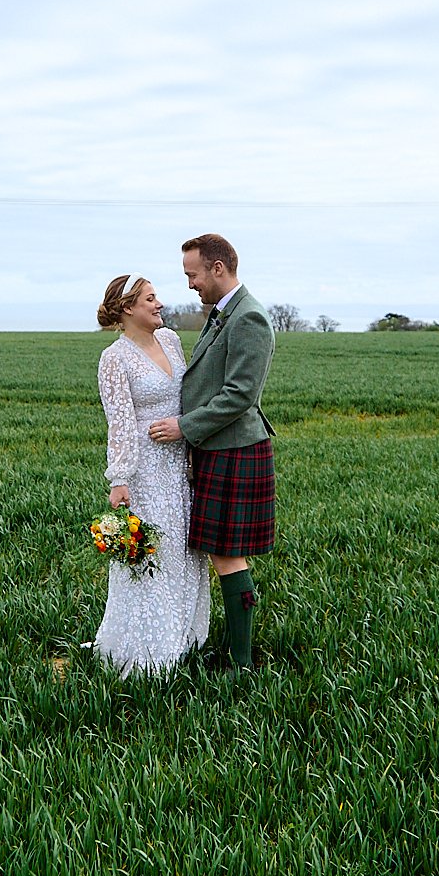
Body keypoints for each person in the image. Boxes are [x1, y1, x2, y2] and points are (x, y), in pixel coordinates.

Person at [148, 234, 275, 670]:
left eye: (193, 274)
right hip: (218, 447)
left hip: (234, 448)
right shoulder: (224, 314)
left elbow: (240, 394)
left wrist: (184, 426)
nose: (190, 284)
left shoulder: (249, 318)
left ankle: (241, 662)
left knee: (226, 552)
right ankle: (233, 650)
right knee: (222, 551)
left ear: (217, 269)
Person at [93, 274, 211, 674]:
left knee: (184, 551)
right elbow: (120, 423)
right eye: (150, 298)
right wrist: (120, 478)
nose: (159, 304)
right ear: (128, 309)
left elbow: (188, 396)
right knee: (150, 555)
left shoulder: (172, 341)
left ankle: (186, 641)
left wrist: (190, 436)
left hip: (181, 465)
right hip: (145, 471)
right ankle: (147, 653)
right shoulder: (115, 359)